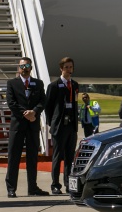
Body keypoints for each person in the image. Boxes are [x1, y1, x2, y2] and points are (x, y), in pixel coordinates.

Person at [5, 57, 47, 197]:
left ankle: (32, 188)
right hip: (17, 125)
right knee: (14, 157)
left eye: (27, 65)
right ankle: (11, 188)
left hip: (32, 125)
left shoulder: (38, 83)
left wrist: (34, 112)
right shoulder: (12, 83)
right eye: (22, 66)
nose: (24, 68)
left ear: (31, 67)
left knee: (32, 157)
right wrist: (25, 113)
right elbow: (11, 103)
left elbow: (43, 101)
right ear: (18, 68)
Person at [44, 56, 80, 195]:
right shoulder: (54, 86)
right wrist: (51, 124)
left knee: (70, 157)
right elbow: (48, 107)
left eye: (71, 67)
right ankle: (55, 184)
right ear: (61, 68)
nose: (69, 70)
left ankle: (68, 184)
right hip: (59, 126)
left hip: (71, 125)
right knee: (57, 156)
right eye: (66, 67)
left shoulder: (75, 85)